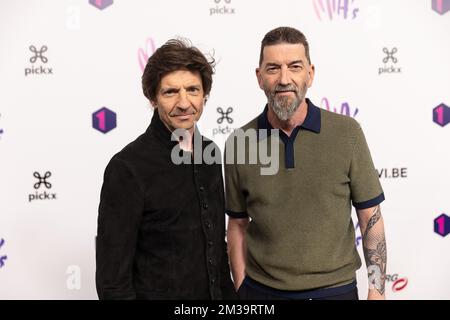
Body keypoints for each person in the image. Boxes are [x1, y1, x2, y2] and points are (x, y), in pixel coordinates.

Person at [225, 27, 387, 300]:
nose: (284, 78)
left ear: (310, 74)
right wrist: (242, 289)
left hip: (336, 291)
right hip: (262, 293)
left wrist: (377, 290)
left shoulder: (347, 133)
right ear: (259, 77)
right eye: (273, 68)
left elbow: (371, 216)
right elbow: (237, 224)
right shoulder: (240, 142)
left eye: (295, 67)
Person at [96, 38, 236, 300]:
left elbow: (216, 252)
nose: (184, 103)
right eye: (171, 92)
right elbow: (112, 282)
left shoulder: (211, 155)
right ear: (153, 98)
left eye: (192, 90)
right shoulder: (127, 168)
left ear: (204, 94)